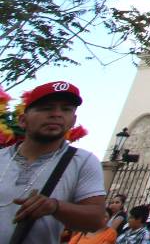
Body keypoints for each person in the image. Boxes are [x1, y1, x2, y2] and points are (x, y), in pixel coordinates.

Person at [0, 81, 106, 244]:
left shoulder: (82, 162)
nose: (56, 114)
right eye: (46, 108)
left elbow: (96, 220)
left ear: (73, 120)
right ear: (23, 120)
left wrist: (55, 207)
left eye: (66, 109)